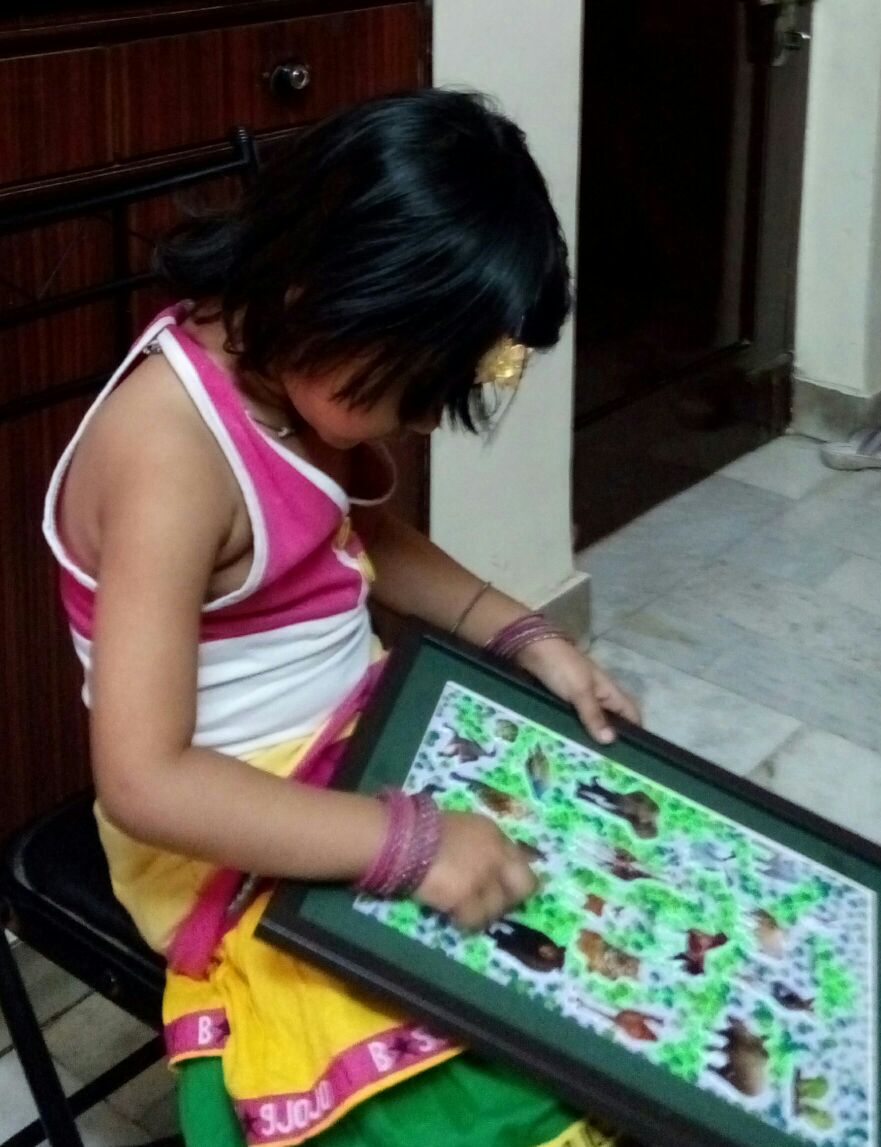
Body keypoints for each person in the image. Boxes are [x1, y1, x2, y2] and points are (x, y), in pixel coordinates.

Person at [42, 90, 640, 1147]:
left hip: (355, 735)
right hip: (215, 820)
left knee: (587, 916)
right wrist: (408, 843)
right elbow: (144, 780)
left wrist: (525, 633)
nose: (423, 420)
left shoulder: (284, 366)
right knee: (474, 1079)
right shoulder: (167, 454)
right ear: (323, 292)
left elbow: (355, 535)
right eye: (413, 388)